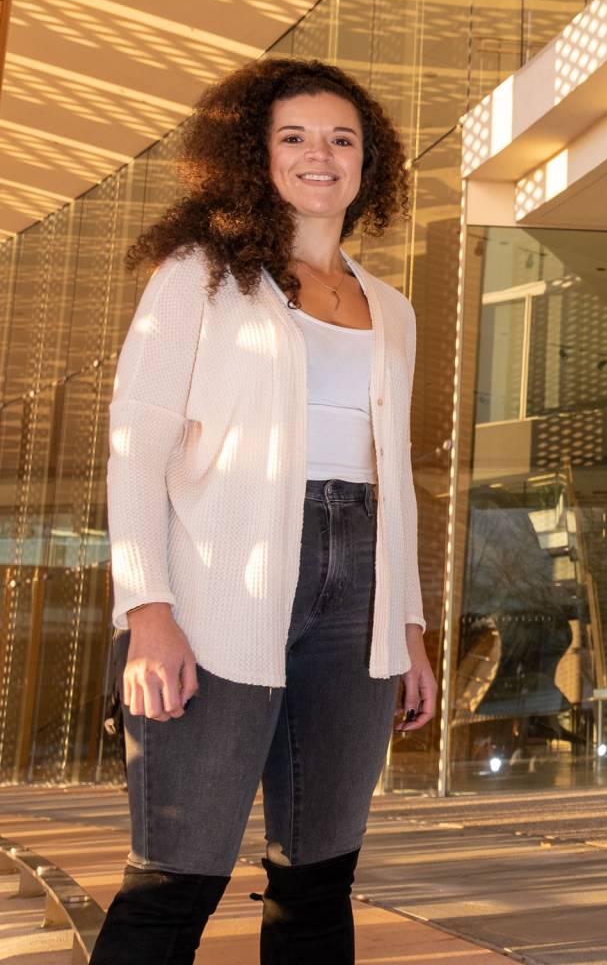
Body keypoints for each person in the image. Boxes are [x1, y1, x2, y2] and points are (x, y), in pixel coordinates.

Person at [92, 58, 439, 963]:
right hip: (217, 595)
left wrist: (408, 626)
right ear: (256, 152)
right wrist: (148, 609)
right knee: (177, 876)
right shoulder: (199, 276)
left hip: (358, 595)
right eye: (294, 136)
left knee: (318, 880)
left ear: (370, 163)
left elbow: (392, 477)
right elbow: (137, 449)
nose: (319, 155)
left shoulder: (391, 309)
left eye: (341, 139)